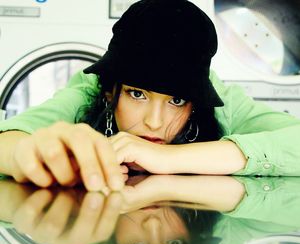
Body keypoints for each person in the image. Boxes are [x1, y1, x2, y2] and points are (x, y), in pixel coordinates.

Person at [0, 0, 300, 193]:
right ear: (110, 91)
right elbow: (6, 142)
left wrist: (169, 158)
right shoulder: (90, 91)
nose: (154, 123)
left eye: (177, 100)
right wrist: (32, 156)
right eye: (137, 94)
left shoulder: (223, 104)